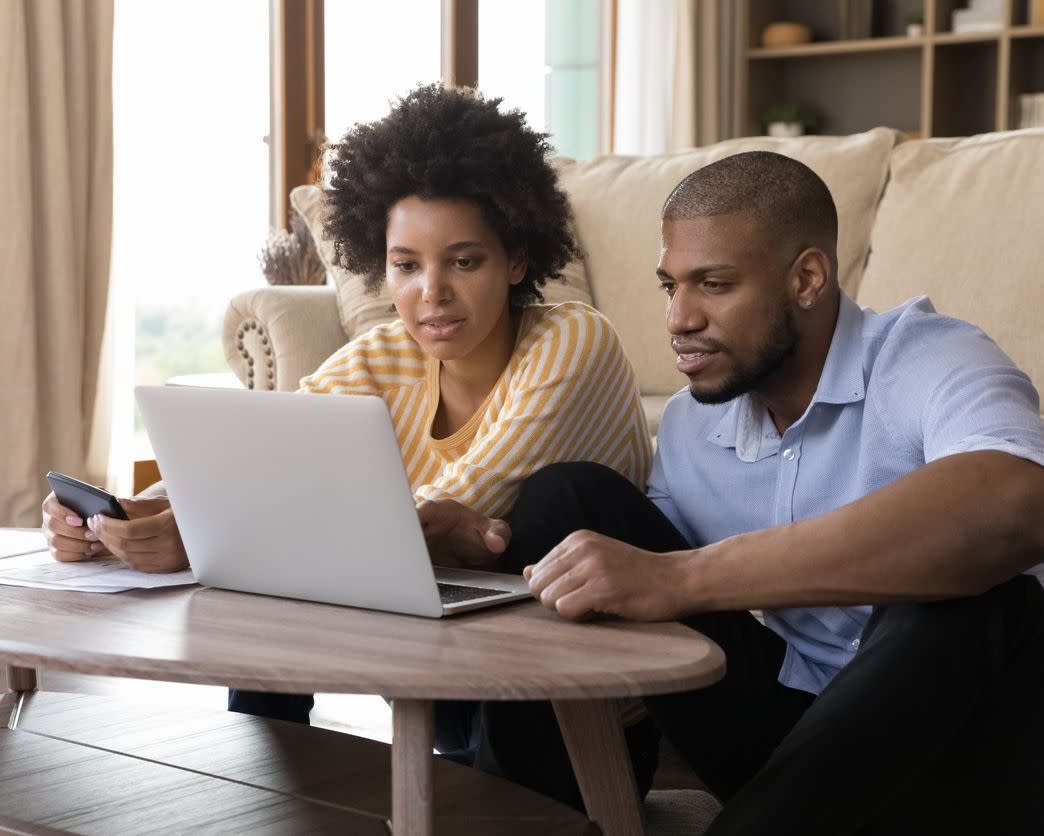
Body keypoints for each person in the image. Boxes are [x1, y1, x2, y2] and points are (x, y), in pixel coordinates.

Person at [39, 84, 657, 783]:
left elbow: (441, 507)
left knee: (287, 542)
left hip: (579, 722)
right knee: (272, 556)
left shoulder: (573, 341)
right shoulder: (385, 354)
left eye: (464, 261)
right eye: (406, 265)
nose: (433, 293)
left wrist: (212, 527)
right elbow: (259, 461)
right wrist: (113, 517)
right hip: (451, 670)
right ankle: (266, 781)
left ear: (516, 259)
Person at [471, 151, 1044, 833]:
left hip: (964, 755)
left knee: (976, 596)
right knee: (568, 501)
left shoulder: (931, 358)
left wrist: (684, 577)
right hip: (797, 739)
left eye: (713, 284)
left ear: (807, 277)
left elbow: (1017, 503)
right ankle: (530, 817)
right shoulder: (693, 420)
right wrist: (481, 540)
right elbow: (629, 577)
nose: (679, 318)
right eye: (670, 287)